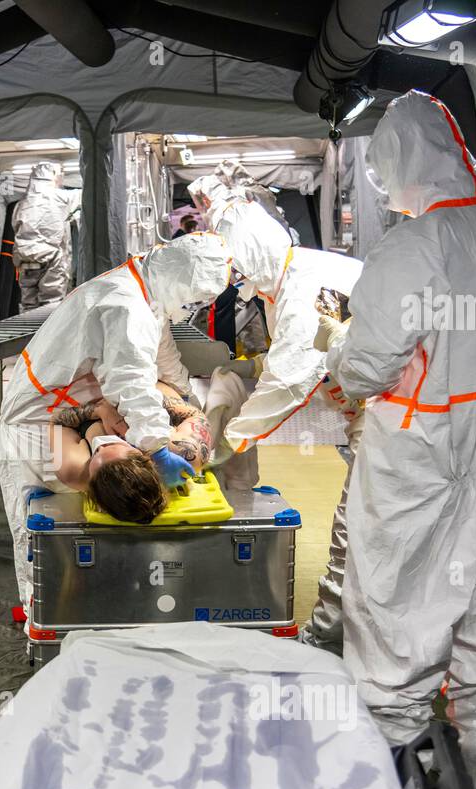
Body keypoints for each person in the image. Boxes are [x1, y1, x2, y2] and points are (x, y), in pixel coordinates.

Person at [320, 90, 476, 789]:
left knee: (394, 604)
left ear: (401, 163)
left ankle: (392, 762)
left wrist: (335, 358)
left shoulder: (413, 246)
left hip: (415, 462)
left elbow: (367, 367)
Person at [0, 233, 234, 611]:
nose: (112, 441)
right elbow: (131, 382)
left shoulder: (146, 295)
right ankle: (43, 611)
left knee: (75, 530)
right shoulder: (126, 306)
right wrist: (156, 442)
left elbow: (162, 358)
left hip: (75, 406)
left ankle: (93, 601)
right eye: (194, 297)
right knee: (43, 538)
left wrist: (176, 397)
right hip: (37, 417)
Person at [190, 171, 364, 648]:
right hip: (381, 410)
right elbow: (296, 354)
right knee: (375, 530)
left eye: (237, 268)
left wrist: (221, 444)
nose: (237, 280)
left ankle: (327, 640)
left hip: (394, 417)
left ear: (251, 254)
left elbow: (290, 381)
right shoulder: (289, 277)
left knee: (356, 530)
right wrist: (252, 367)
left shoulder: (305, 285)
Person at [51, 381, 213, 522]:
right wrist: (141, 405)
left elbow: (55, 422)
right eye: (111, 444)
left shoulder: (72, 471)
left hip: (84, 390)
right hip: (146, 377)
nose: (102, 444)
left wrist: (99, 411)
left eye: (97, 451)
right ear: (145, 457)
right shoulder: (185, 451)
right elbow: (194, 414)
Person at [12, 161, 81, 309]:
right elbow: (87, 195)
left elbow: (15, 225)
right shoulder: (61, 197)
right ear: (53, 176)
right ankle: (49, 325)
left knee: (28, 302)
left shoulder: (22, 203)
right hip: (51, 258)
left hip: (25, 259)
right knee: (52, 302)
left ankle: (29, 323)